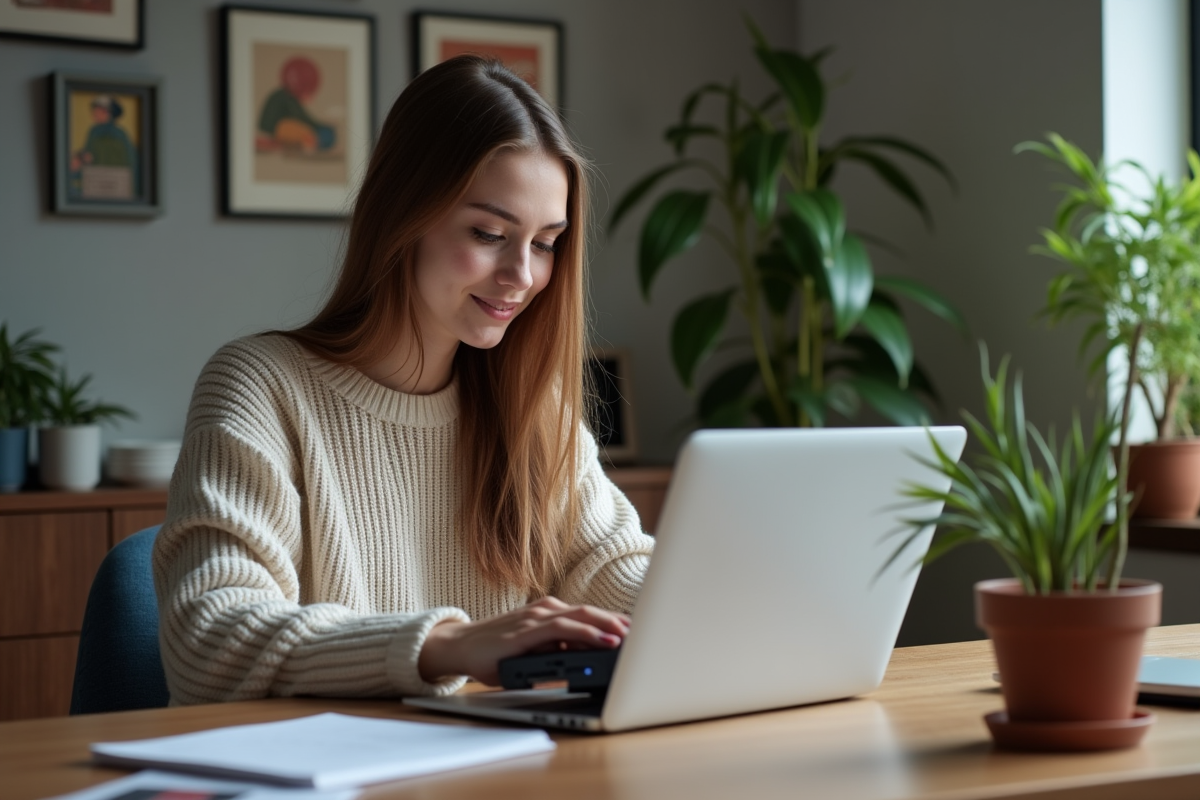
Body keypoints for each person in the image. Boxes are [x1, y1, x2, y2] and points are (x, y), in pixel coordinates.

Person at [152, 55, 655, 706]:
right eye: (490, 233)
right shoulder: (261, 388)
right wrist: (447, 645)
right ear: (403, 215)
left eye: (544, 243)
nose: (522, 276)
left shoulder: (533, 407)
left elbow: (612, 568)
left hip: (488, 756)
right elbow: (207, 642)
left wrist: (723, 599)